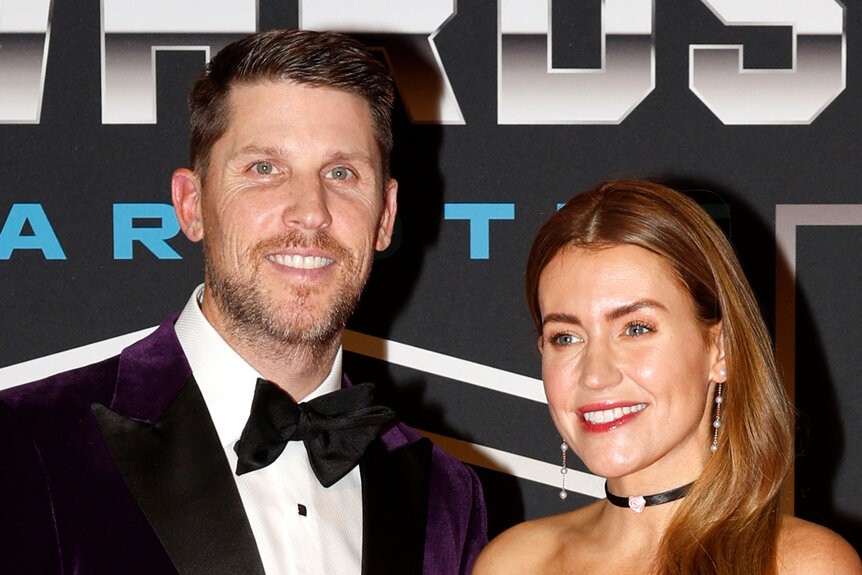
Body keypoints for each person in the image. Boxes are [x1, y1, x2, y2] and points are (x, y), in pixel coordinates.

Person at [0, 29, 486, 574]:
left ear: (385, 216)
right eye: (264, 169)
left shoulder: (446, 495)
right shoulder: (27, 443)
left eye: (341, 173)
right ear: (191, 206)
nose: (310, 211)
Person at [472, 180, 860, 574]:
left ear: (720, 349)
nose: (595, 375)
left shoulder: (803, 565)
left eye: (636, 329)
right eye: (566, 337)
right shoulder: (513, 563)